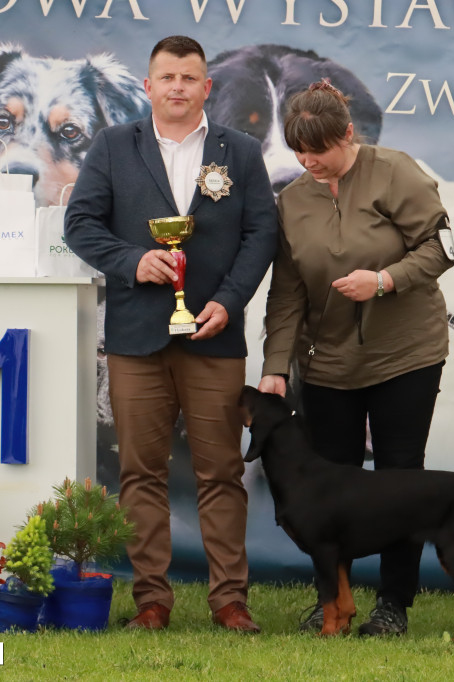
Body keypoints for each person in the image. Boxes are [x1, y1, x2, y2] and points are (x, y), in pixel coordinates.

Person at [64, 35, 277, 632]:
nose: (178, 87)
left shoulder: (239, 150)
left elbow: (261, 233)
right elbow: (80, 223)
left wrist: (230, 303)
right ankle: (151, 599)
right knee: (141, 472)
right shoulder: (112, 147)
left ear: (206, 87)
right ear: (149, 87)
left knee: (221, 472)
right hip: (136, 337)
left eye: (189, 77)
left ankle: (230, 599)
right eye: (167, 77)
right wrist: (133, 261)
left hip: (213, 335)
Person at [258, 80, 454, 636]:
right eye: (300, 153)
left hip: (406, 357)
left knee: (400, 483)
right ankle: (334, 602)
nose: (309, 162)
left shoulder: (396, 171)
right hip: (326, 367)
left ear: (348, 134)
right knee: (328, 494)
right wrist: (276, 367)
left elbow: (442, 248)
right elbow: (287, 294)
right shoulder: (293, 200)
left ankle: (393, 604)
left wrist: (387, 279)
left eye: (319, 150)